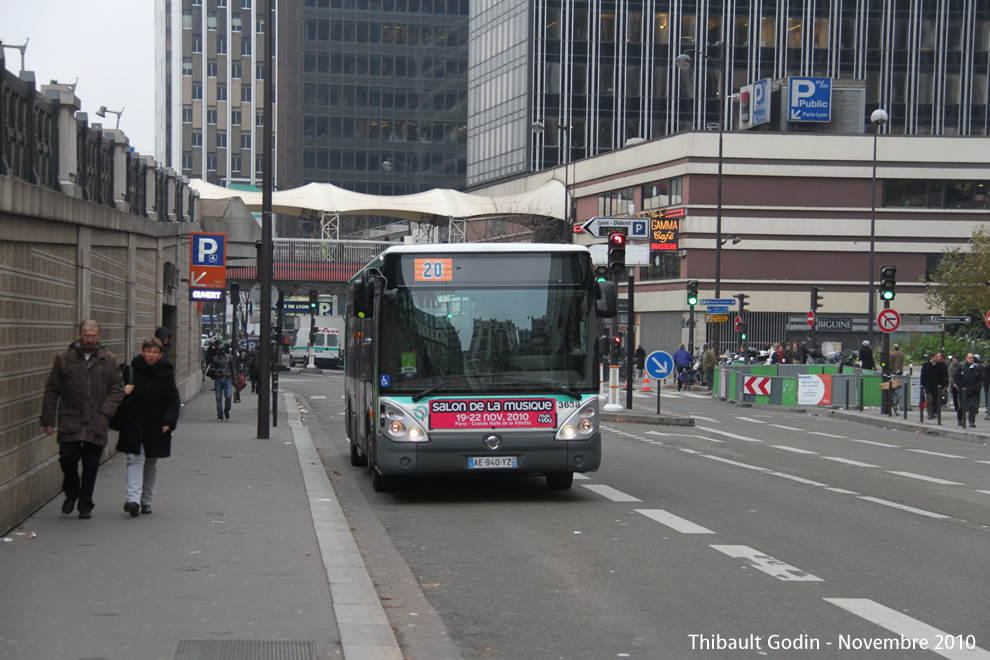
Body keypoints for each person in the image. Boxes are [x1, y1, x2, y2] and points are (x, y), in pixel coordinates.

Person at [40, 320, 125, 519]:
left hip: (97, 420)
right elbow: (52, 389)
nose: (90, 339)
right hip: (71, 418)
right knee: (67, 458)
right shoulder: (64, 359)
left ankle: (85, 503)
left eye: (94, 336)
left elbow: (117, 389)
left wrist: (105, 412)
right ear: (79, 334)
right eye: (86, 335)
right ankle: (71, 491)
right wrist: (49, 419)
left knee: (91, 464)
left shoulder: (108, 360)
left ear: (99, 336)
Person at [116, 337, 180, 516]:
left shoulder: (166, 374)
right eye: (148, 351)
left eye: (155, 352)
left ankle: (146, 500)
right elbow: (113, 392)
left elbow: (173, 400)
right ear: (142, 352)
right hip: (134, 422)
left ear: (160, 355)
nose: (151, 355)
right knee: (134, 459)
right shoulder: (130, 370)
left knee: (151, 461)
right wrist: (123, 391)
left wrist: (169, 421)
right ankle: (133, 500)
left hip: (156, 424)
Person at [953, 353, 982, 428]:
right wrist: (961, 385)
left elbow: (979, 378)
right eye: (969, 358)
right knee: (962, 406)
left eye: (972, 358)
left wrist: (977, 386)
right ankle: (960, 419)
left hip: (973, 390)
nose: (971, 359)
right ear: (966, 358)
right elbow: (956, 377)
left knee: (972, 406)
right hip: (963, 390)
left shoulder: (976, 367)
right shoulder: (961, 366)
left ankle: (971, 421)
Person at [209, 344, 234, 421]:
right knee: (218, 398)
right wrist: (214, 370)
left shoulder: (229, 358)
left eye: (219, 350)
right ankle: (220, 414)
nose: (217, 352)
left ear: (222, 350)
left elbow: (233, 368)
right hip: (219, 379)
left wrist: (235, 379)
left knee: (228, 396)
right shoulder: (215, 358)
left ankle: (226, 411)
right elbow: (212, 368)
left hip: (227, 378)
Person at [920, 352, 948, 420]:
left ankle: (934, 412)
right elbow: (923, 376)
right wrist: (922, 385)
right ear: (932, 358)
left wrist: (943, 385)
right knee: (930, 399)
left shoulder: (939, 366)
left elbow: (942, 376)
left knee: (936, 400)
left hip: (937, 386)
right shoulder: (926, 365)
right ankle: (930, 413)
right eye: (936, 357)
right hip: (928, 385)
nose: (937, 358)